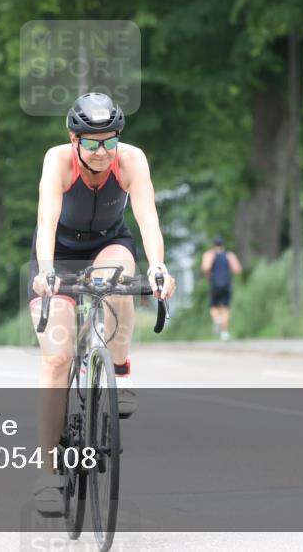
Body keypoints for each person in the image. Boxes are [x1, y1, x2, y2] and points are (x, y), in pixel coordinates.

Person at [28, 92, 177, 515]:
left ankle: (121, 369)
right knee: (56, 361)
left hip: (110, 244)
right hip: (57, 253)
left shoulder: (131, 161)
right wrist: (45, 269)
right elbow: (46, 219)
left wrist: (159, 266)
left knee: (116, 282)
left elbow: (148, 218)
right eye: (91, 143)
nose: (100, 152)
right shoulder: (57, 160)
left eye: (108, 142)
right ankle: (47, 471)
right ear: (74, 139)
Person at [200, 236, 242, 341]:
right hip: (226, 283)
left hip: (214, 283)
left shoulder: (210, 254)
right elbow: (237, 269)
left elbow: (205, 267)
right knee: (225, 308)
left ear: (213, 245)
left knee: (213, 306)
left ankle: (217, 319)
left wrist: (208, 275)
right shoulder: (229, 255)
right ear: (223, 245)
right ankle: (225, 333)